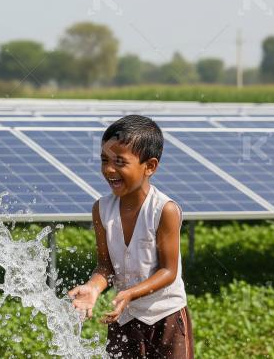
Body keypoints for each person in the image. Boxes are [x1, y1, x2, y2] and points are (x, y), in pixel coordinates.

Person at [69, 115, 193, 358]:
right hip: (124, 318)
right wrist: (94, 287)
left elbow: (168, 271)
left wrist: (130, 293)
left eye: (120, 162)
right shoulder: (102, 209)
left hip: (166, 318)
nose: (109, 170)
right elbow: (105, 266)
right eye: (104, 160)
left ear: (150, 166)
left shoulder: (164, 210)